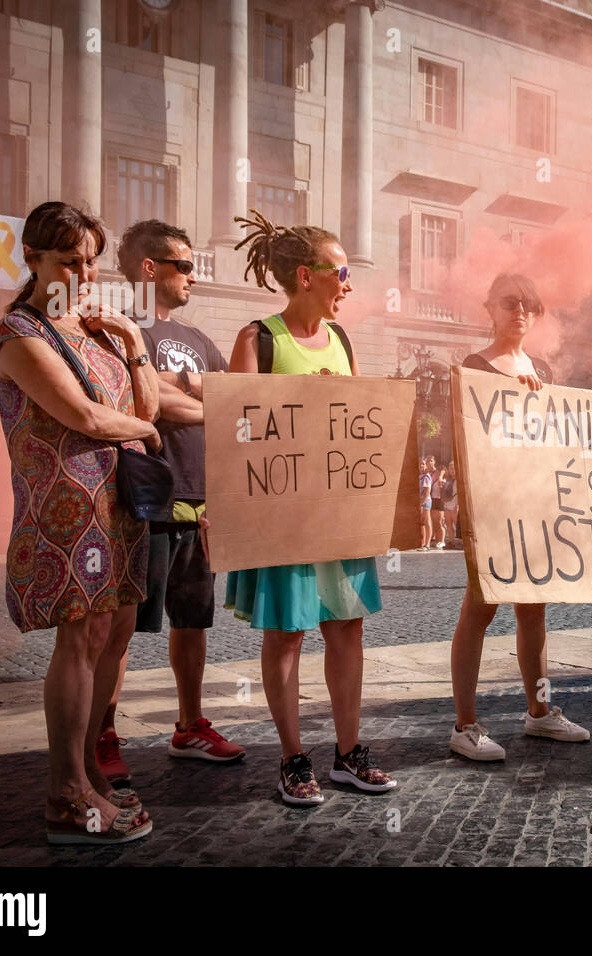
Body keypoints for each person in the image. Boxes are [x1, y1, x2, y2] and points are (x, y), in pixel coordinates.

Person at [0, 201, 158, 844]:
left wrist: (136, 345)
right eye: (69, 260)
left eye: (90, 261)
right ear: (31, 258)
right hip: (64, 505)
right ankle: (64, 793)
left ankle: (88, 771)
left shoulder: (95, 331)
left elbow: (142, 403)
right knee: (81, 637)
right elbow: (86, 419)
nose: (83, 274)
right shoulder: (18, 332)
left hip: (116, 504)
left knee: (115, 632)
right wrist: (147, 431)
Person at [225, 210, 395, 801]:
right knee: (288, 634)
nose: (348, 282)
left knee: (347, 628)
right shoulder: (258, 338)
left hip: (337, 510)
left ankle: (349, 753)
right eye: (340, 270)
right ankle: (294, 759)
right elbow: (236, 433)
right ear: (306, 275)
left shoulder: (343, 339)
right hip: (283, 517)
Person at [90, 220, 245, 787]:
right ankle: (102, 735)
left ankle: (189, 725)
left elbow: (234, 401)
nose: (193, 276)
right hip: (145, 498)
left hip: (199, 500)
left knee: (193, 620)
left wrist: (180, 388)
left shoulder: (201, 340)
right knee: (121, 629)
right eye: (183, 265)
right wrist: (189, 395)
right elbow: (147, 402)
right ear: (150, 269)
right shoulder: (117, 333)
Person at [449, 273, 590, 761]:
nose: (521, 311)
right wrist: (511, 397)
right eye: (510, 302)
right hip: (493, 505)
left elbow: (561, 437)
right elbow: (470, 439)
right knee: (480, 608)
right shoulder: (474, 366)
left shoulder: (545, 369)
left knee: (534, 611)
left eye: (529, 303)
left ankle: (539, 711)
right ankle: (465, 724)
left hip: (535, 505)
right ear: (490, 308)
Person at [418, 459, 434, 550]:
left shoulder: (426, 477)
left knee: (427, 522)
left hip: (425, 501)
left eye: (423, 464)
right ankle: (423, 543)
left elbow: (427, 491)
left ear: (426, 466)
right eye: (420, 464)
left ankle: (427, 545)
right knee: (422, 523)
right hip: (420, 502)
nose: (421, 465)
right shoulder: (420, 476)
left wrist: (422, 502)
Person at [443, 460, 460, 544]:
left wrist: (458, 504)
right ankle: (451, 541)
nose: (452, 470)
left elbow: (460, 493)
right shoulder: (447, 480)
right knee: (448, 524)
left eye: (454, 468)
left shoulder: (459, 480)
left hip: (455, 504)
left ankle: (463, 542)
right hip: (447, 504)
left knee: (457, 525)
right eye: (450, 468)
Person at [431, 462, 447, 549]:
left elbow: (441, 485)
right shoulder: (435, 480)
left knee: (440, 522)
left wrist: (441, 474)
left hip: (440, 501)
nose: (436, 473)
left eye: (438, 471)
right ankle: (437, 540)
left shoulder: (443, 480)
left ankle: (442, 541)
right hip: (434, 501)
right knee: (435, 522)